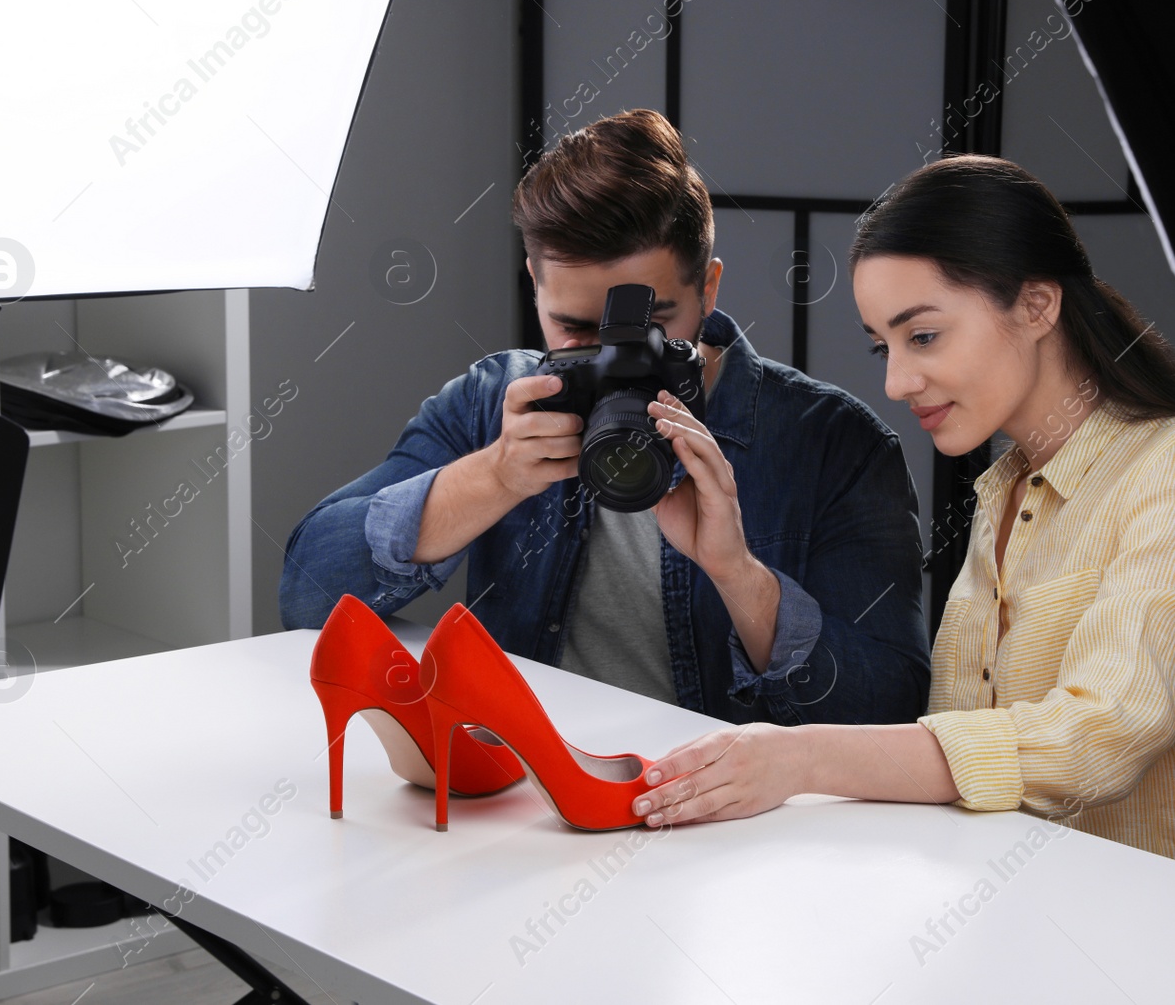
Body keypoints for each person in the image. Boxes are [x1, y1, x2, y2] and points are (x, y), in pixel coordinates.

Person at [631, 155, 1175, 893]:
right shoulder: (1003, 494)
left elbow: (1098, 736)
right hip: (1025, 927)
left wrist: (800, 758)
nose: (895, 382)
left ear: (1038, 304)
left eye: (923, 336)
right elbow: (966, 764)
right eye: (883, 346)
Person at [279, 109, 929, 726]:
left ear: (708, 288)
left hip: (722, 815)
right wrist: (495, 477)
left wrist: (740, 576)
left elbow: (891, 706)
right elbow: (308, 594)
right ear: (535, 283)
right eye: (575, 328)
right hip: (527, 789)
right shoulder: (493, 400)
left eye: (647, 327)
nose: (615, 354)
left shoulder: (833, 442)